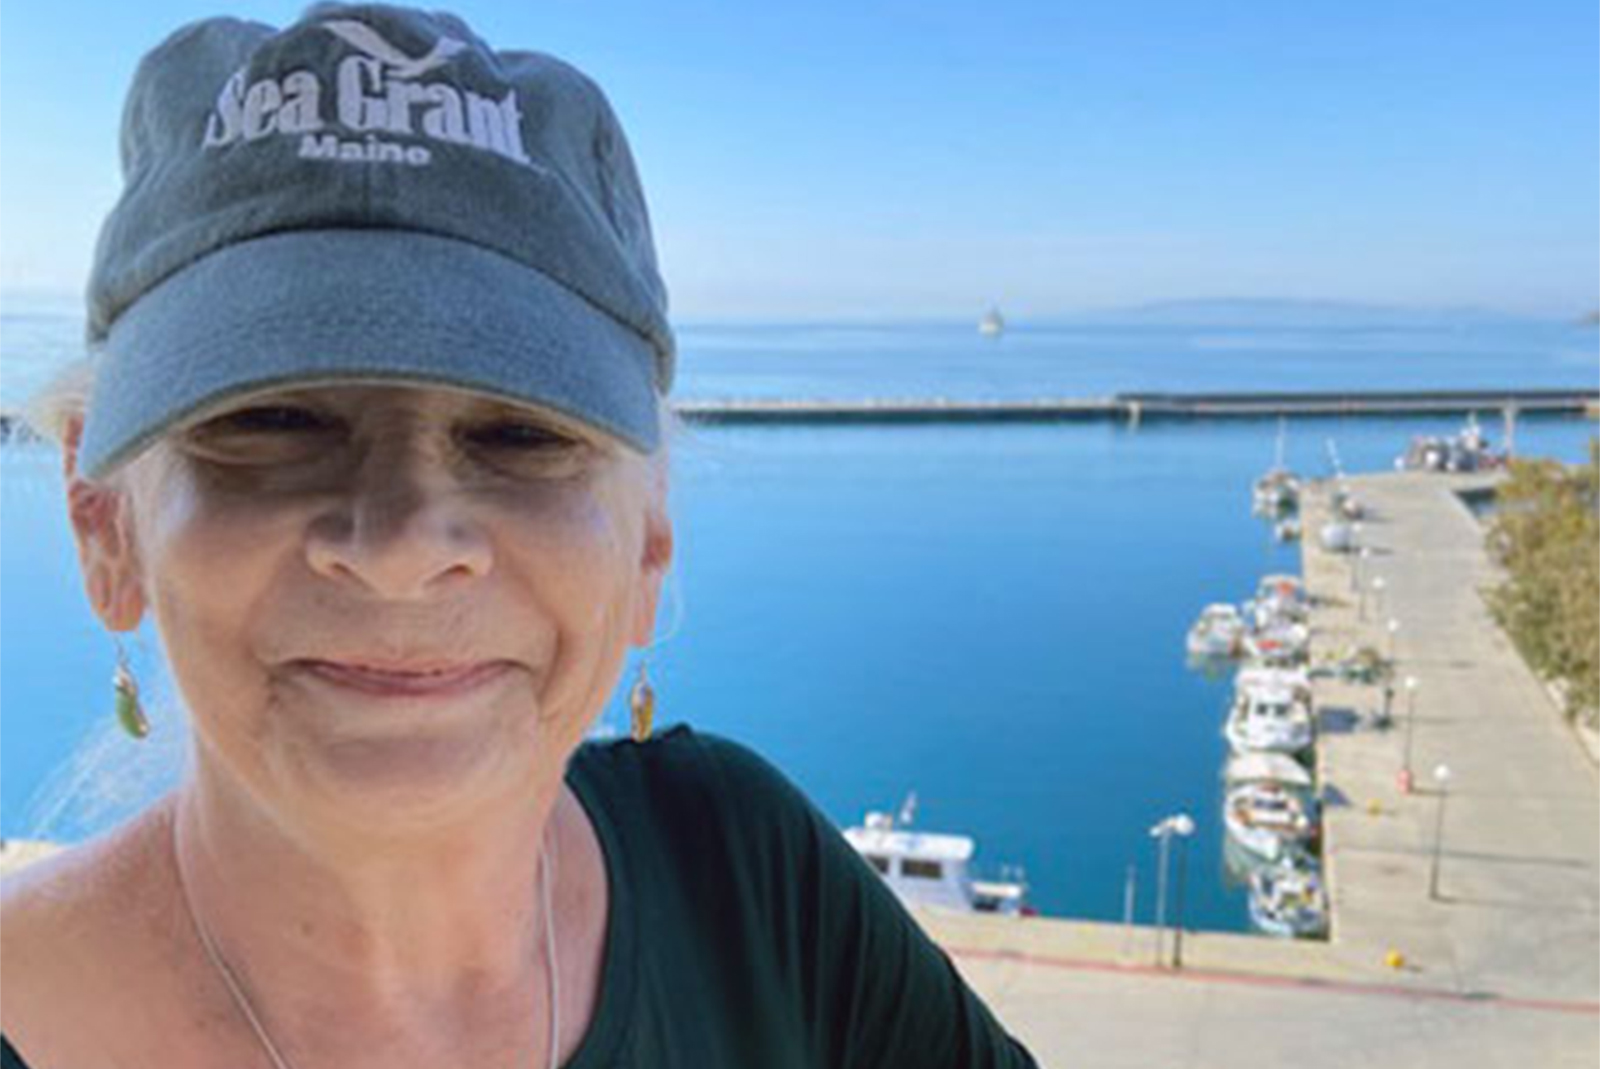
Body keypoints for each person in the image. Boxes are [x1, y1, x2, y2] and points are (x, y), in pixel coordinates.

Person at [0, 6, 1040, 1067]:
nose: (401, 545)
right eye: (271, 420)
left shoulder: (748, 879)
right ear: (102, 516)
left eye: (519, 431)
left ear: (649, 534)